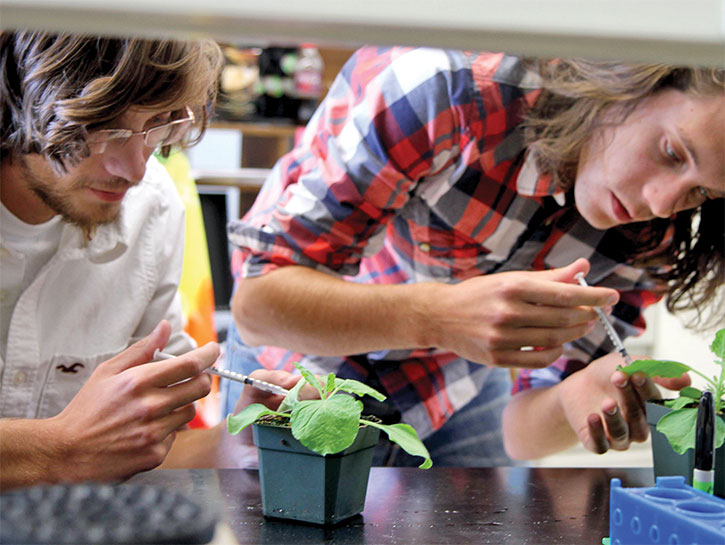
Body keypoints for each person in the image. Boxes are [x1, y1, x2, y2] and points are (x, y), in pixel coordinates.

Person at [224, 46, 723, 466]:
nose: (659, 203)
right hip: (299, 361)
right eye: (672, 152)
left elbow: (521, 433)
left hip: (450, 384)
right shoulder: (450, 92)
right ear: (626, 82)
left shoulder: (658, 232)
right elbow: (259, 306)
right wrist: (437, 318)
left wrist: (573, 398)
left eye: (700, 191)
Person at [0, 30, 299, 491]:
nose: (135, 169)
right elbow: (79, 450)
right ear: (21, 96)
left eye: (157, 124)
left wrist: (234, 444)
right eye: (103, 127)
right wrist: (59, 448)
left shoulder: (152, 207)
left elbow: (138, 451)